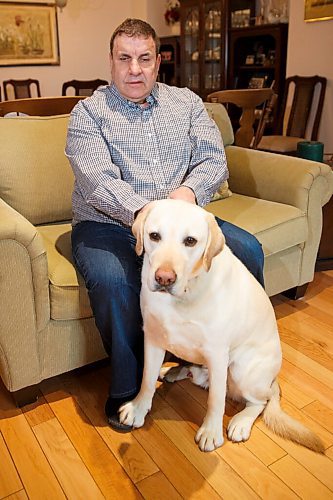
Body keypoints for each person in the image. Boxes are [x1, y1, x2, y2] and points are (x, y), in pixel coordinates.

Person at [66, 18, 264, 432]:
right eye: (124, 59)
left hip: (180, 220)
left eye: (143, 59)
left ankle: (225, 354)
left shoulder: (187, 104)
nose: (134, 69)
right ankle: (129, 390)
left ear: (158, 62)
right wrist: (148, 215)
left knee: (245, 249)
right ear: (111, 62)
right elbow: (97, 180)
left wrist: (188, 196)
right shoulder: (87, 113)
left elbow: (214, 159)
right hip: (107, 222)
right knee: (115, 279)